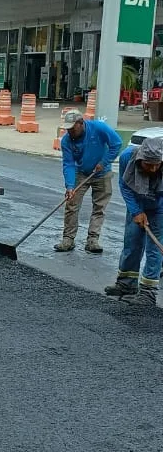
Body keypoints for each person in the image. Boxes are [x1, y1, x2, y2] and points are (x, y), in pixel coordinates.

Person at [105, 136, 163, 306]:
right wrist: (136, 211)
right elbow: (124, 185)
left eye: (156, 165)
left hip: (160, 206)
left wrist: (153, 211)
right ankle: (126, 283)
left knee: (154, 249)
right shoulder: (127, 157)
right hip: (137, 203)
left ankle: (148, 293)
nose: (153, 169)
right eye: (148, 165)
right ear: (140, 159)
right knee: (131, 243)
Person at [54, 109, 122, 254]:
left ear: (81, 123)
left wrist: (104, 162)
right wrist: (70, 186)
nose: (70, 132)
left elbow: (116, 143)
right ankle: (68, 239)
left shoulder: (99, 128)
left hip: (102, 173)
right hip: (81, 172)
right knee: (71, 204)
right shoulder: (66, 140)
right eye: (68, 129)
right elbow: (68, 164)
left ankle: (93, 240)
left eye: (72, 128)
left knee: (99, 207)